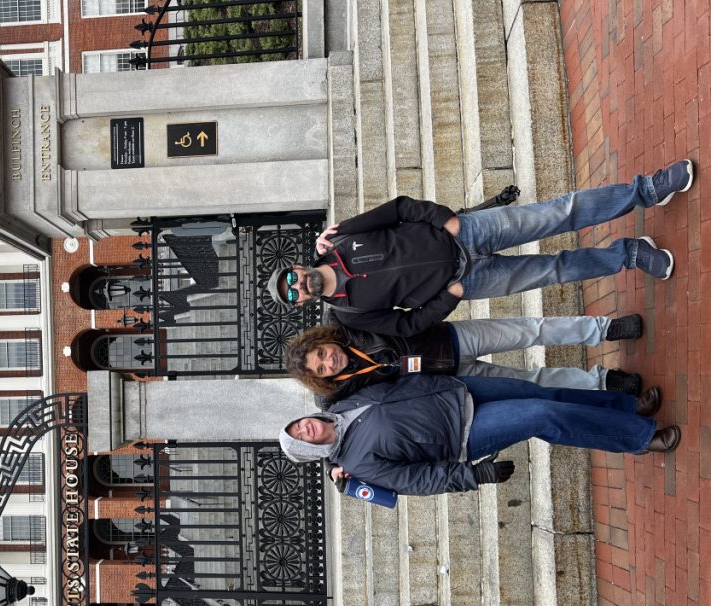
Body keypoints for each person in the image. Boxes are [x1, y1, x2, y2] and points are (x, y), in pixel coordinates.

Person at [266, 161, 694, 336]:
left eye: (291, 277)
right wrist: (447, 299)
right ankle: (630, 255)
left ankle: (648, 190)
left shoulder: (340, 238)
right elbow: (406, 327)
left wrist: (444, 219)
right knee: (555, 270)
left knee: (558, 214)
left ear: (298, 266)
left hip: (463, 233)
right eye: (293, 292)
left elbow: (398, 209)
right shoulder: (348, 313)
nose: (298, 284)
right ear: (301, 302)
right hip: (465, 282)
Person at [278, 375, 680, 497]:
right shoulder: (356, 462)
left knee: (545, 394)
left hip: (458, 390)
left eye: (298, 425)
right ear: (312, 451)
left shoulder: (342, 404)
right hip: (465, 434)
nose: (305, 430)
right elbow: (416, 481)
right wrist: (474, 475)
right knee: (542, 415)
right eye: (302, 440)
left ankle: (625, 409)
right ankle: (639, 439)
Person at [284, 313, 645, 402]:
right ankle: (603, 381)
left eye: (321, 352)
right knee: (528, 383)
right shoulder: (341, 391)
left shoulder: (346, 324)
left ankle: (604, 329)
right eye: (321, 368)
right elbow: (329, 411)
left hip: (449, 338)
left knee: (529, 330)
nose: (329, 361)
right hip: (453, 380)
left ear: (322, 340)